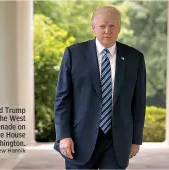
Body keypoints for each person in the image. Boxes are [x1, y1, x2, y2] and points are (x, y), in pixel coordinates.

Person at [53, 5, 146, 169]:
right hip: (78, 140)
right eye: (102, 26)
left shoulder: (134, 58)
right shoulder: (73, 54)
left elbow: (138, 103)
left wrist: (135, 139)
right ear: (93, 28)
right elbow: (62, 99)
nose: (107, 31)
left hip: (117, 142)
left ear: (119, 28)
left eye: (112, 26)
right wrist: (63, 136)